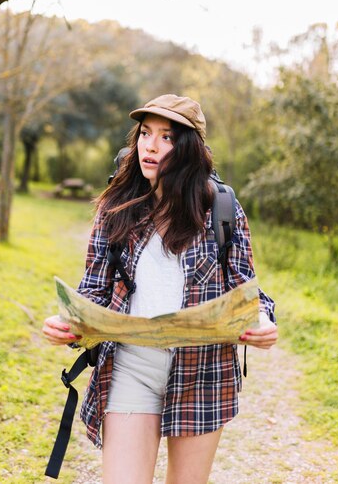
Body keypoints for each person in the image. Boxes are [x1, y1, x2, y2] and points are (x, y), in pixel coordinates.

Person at [43, 94, 278, 484]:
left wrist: (264, 321)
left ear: (190, 149)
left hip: (203, 371)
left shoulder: (221, 208)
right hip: (131, 366)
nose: (150, 146)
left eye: (167, 137)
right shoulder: (117, 207)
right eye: (145, 134)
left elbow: (246, 287)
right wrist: (68, 321)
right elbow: (95, 290)